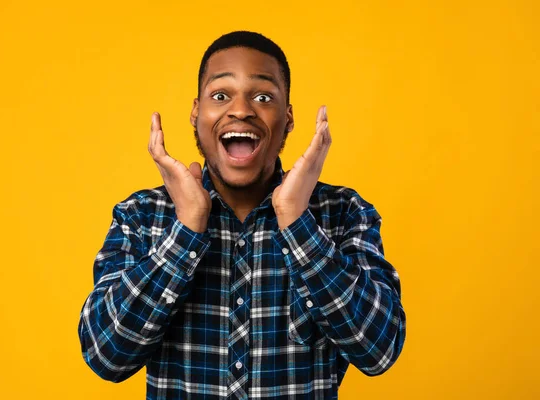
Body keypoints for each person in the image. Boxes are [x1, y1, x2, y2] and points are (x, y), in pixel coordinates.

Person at [78, 30, 406, 399]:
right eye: (220, 96)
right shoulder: (142, 216)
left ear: (288, 117)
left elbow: (378, 351)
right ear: (196, 112)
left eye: (263, 97)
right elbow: (106, 356)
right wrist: (186, 228)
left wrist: (298, 224)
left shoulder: (344, 213)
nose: (241, 110)